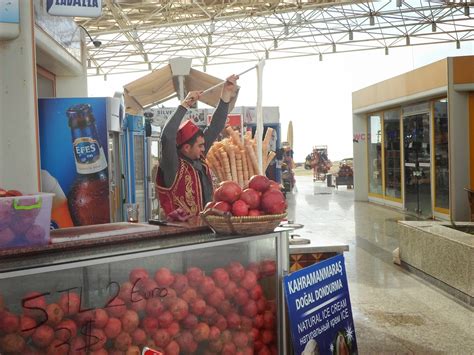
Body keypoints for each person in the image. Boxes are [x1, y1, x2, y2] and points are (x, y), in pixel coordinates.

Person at [156, 74, 239, 218]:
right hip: (180, 232)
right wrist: (185, 104)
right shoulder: (173, 165)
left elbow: (215, 126)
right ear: (186, 148)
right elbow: (167, 136)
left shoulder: (198, 158)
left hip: (204, 228)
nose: (203, 149)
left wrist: (226, 93)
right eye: (200, 146)